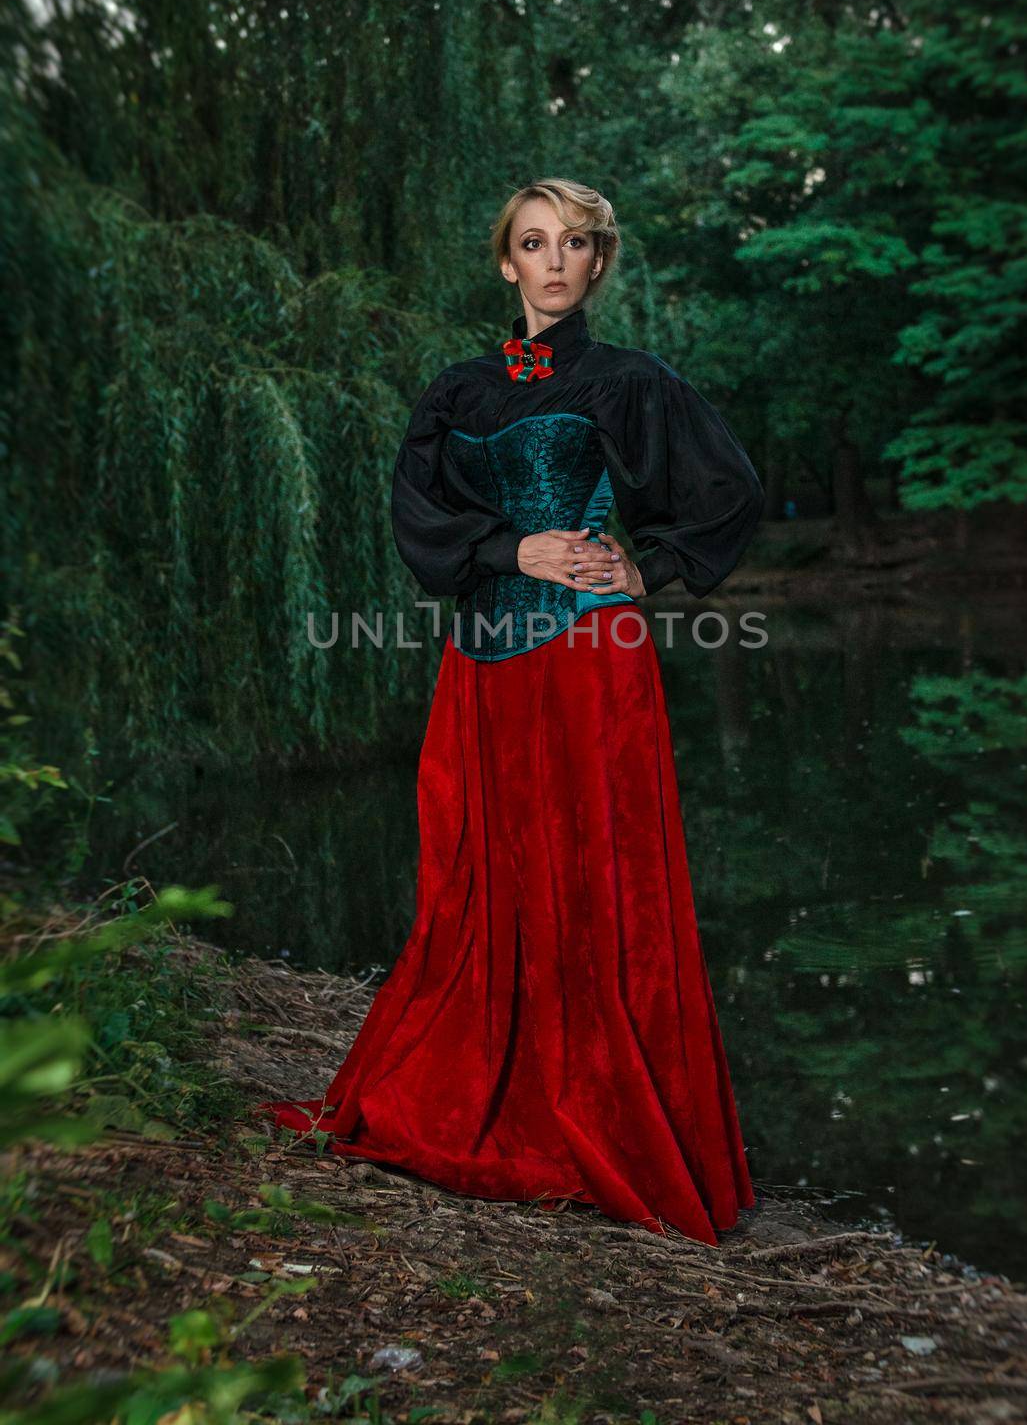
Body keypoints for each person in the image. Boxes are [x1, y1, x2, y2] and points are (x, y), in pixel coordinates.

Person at [253, 178, 764, 1246]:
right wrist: (505, 548)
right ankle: (488, 1093)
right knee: (479, 874)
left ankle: (599, 1117)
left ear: (597, 264)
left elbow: (727, 493)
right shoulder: (457, 390)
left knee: (594, 875)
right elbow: (420, 514)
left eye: (574, 244)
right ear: (504, 262)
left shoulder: (629, 382)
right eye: (532, 244)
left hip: (588, 660)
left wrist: (646, 562)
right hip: (482, 662)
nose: (552, 262)